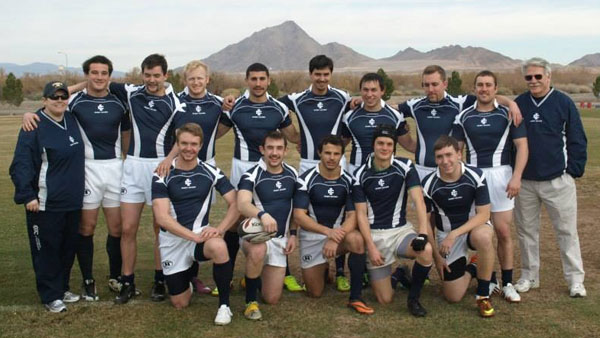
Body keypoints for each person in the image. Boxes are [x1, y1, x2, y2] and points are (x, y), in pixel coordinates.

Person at [22, 55, 131, 299]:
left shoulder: (119, 102)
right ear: (87, 75)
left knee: (117, 227)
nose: (99, 77)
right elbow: (54, 100)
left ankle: (115, 276)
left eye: (104, 73)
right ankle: (88, 279)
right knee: (86, 227)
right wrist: (30, 113)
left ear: (110, 76)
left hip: (115, 168)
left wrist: (128, 162)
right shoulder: (75, 101)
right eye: (94, 72)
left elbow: (125, 136)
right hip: (87, 170)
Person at [108, 54, 185, 304]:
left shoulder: (176, 101)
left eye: (156, 75)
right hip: (132, 167)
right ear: (142, 74)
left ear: (165, 75)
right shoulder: (132, 92)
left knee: (159, 228)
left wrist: (168, 159)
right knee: (127, 228)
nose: (151, 80)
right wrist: (65, 90)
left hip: (160, 169)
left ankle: (159, 280)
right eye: (147, 75)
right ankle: (127, 282)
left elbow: (182, 138)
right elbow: (96, 83)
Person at [219, 63, 301, 294]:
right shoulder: (235, 107)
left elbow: (292, 135)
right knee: (236, 221)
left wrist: (311, 137)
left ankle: (283, 271)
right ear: (247, 80)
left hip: (271, 167)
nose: (258, 83)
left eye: (262, 79)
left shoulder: (278, 108)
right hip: (242, 167)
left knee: (277, 215)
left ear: (268, 81)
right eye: (253, 79)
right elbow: (215, 132)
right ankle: (227, 275)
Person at [513, 57, 588, 297]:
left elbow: (577, 138)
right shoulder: (520, 103)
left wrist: (572, 170)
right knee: (526, 232)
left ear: (548, 76)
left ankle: (575, 280)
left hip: (558, 180)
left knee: (566, 231)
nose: (533, 81)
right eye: (529, 77)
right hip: (525, 182)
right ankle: (529, 276)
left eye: (538, 76)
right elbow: (510, 141)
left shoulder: (563, 102)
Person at [152, 123, 239, 325]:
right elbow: (162, 218)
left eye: (193, 144)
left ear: (200, 146)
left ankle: (224, 306)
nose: (188, 148)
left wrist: (220, 229)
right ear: (178, 144)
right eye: (184, 143)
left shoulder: (211, 171)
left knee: (219, 245)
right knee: (180, 303)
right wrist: (193, 236)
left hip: (200, 237)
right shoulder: (162, 173)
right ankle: (187, 280)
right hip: (173, 241)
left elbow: (235, 203)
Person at [452, 70, 528, 303]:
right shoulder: (463, 116)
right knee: (479, 233)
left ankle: (507, 283)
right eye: (480, 85)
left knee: (503, 232)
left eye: (488, 85)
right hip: (474, 177)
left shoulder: (508, 113)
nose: (484, 89)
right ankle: (489, 277)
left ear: (496, 88)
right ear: (474, 88)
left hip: (502, 176)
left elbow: (522, 147)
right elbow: (456, 151)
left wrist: (516, 177)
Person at [278, 55, 351, 292]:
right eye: (317, 74)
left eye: (326, 74)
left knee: (340, 210)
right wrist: (295, 137)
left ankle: (340, 271)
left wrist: (339, 149)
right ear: (311, 74)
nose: (321, 78)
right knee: (301, 212)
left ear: (331, 74)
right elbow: (273, 105)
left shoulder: (342, 97)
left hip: (336, 161)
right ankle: (296, 266)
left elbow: (351, 121)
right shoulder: (298, 99)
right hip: (309, 163)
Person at [157, 60, 230, 295]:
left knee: (199, 217)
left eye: (200, 78)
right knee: (175, 215)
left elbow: (223, 126)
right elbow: (174, 133)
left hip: (206, 165)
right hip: (179, 164)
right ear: (185, 80)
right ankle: (167, 272)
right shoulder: (177, 101)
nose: (196, 82)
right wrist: (169, 159)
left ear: (207, 79)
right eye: (192, 78)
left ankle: (193, 275)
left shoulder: (217, 103)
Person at [10, 81, 85, 312]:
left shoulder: (71, 119)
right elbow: (20, 165)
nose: (60, 100)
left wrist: (81, 84)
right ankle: (49, 295)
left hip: (72, 202)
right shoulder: (34, 125)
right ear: (44, 100)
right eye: (54, 97)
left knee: (67, 247)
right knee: (46, 250)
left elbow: (82, 89)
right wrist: (28, 195)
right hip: (44, 203)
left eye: (63, 96)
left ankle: (61, 288)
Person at [353, 124, 433, 317]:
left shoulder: (405, 166)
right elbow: (361, 215)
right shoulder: (359, 174)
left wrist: (423, 234)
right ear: (373, 145)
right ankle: (399, 274)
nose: (384, 148)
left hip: (400, 232)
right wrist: (370, 247)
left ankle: (413, 299)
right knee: (385, 299)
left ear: (394, 147)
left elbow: (419, 201)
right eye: (380, 143)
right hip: (375, 236)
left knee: (426, 250)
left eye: (389, 144)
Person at [293, 135, 372, 314]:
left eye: (336, 154)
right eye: (327, 153)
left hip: (339, 237)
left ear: (341, 156)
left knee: (357, 240)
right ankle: (324, 268)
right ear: (320, 153)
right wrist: (327, 232)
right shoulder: (305, 179)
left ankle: (356, 296)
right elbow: (299, 216)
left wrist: (335, 237)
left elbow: (353, 216)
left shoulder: (350, 181)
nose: (331, 157)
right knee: (315, 293)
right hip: (313, 237)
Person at [421, 135, 496, 317]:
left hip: (472, 229)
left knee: (483, 237)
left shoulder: (476, 175)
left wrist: (454, 234)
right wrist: (437, 257)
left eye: (449, 155)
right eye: (440, 157)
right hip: (445, 236)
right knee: (453, 296)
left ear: (459, 154)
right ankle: (473, 267)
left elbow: (484, 214)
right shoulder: (428, 184)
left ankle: (483, 295)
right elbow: (427, 224)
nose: (445, 161)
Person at [237, 131, 298, 320]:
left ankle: (251, 278)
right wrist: (262, 215)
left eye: (279, 148)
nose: (274, 153)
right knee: (258, 250)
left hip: (279, 240)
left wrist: (293, 234)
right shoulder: (251, 175)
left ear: (286, 151)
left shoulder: (293, 174)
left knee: (272, 298)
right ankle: (250, 303)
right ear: (262, 149)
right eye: (270, 148)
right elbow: (243, 203)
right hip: (255, 237)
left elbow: (297, 208)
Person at [341, 73, 410, 175]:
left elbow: (408, 144)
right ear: (360, 90)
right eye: (365, 90)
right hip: (356, 172)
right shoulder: (349, 116)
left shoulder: (395, 115)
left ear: (382, 91)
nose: (369, 94)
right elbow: (340, 144)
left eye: (373, 90)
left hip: (387, 173)